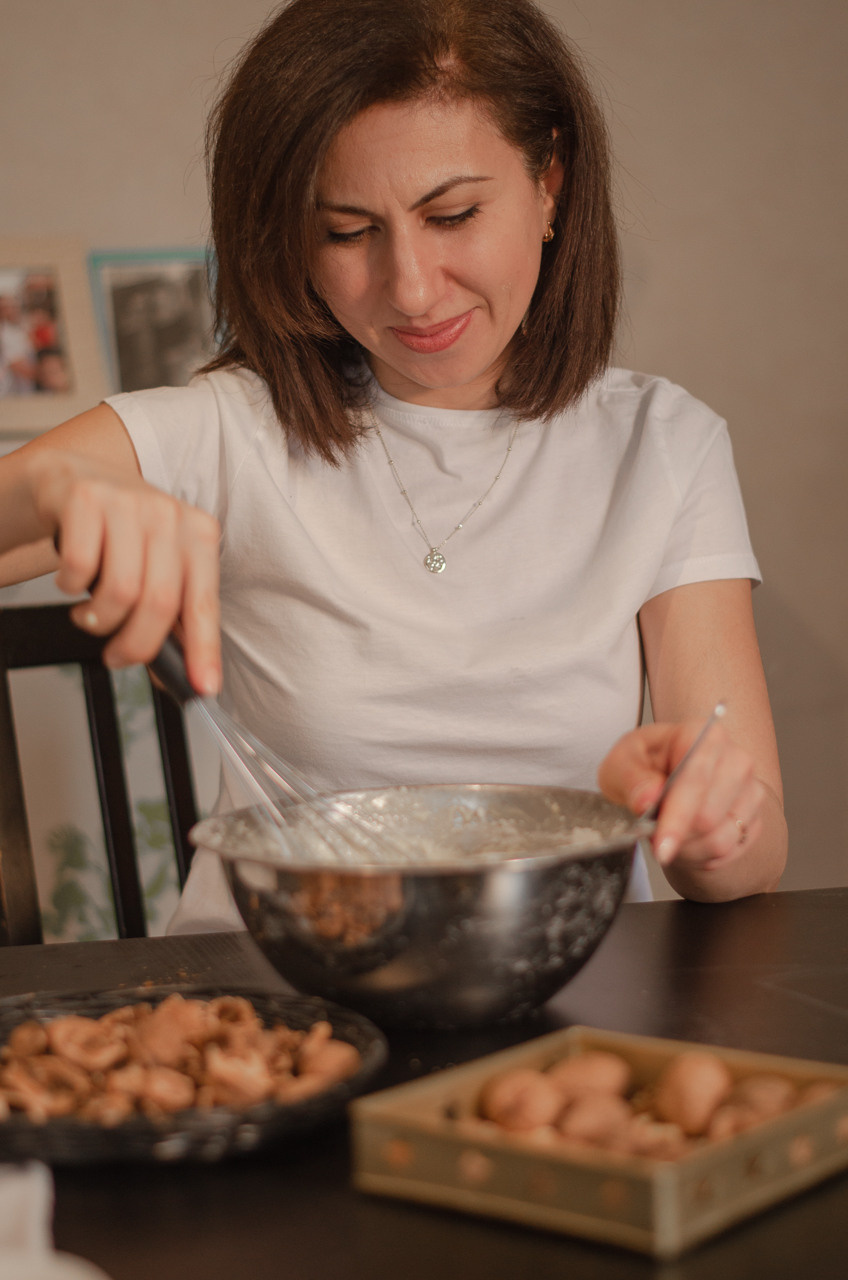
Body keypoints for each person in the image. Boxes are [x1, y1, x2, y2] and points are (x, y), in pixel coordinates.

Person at [0, 0, 786, 931]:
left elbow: (756, 845)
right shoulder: (229, 431)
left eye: (452, 214)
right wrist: (51, 484)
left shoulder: (664, 444)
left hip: (570, 1001)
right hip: (271, 1006)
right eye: (345, 232)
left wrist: (710, 827)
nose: (410, 287)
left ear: (550, 184)